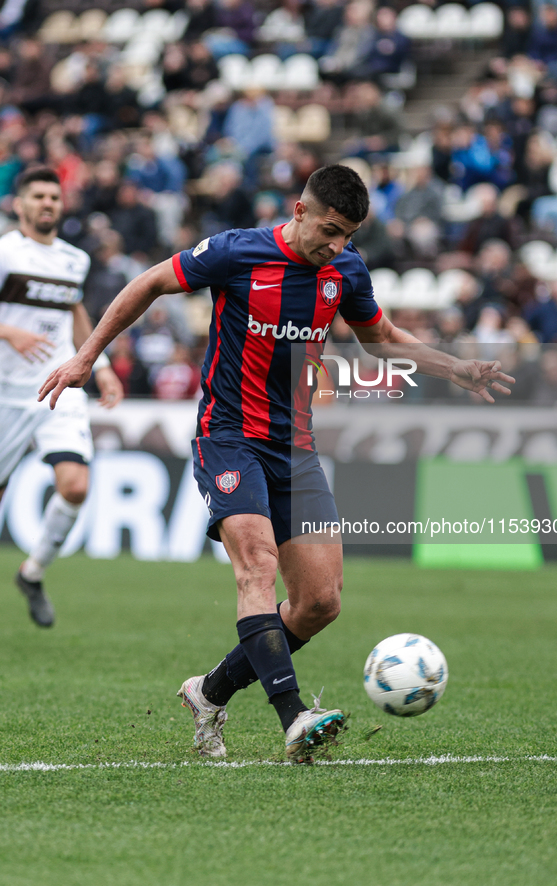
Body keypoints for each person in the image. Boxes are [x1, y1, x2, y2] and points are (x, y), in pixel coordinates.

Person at [39, 165, 514, 762]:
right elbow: (150, 283)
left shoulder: (346, 270)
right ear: (300, 210)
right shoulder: (238, 252)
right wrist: (87, 357)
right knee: (257, 566)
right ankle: (294, 718)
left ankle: (209, 692)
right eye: (332, 230)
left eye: (350, 235)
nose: (338, 245)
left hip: (296, 448)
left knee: (321, 602)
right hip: (228, 436)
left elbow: (381, 337)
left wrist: (459, 369)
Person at [0, 166, 123, 627]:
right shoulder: (5, 252)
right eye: (38, 196)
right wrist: (10, 331)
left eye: (54, 196)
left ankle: (32, 573)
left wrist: (101, 366)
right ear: (19, 204)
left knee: (76, 485)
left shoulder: (75, 259)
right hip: (6, 393)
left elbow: (75, 311)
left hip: (57, 386)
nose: (48, 203)